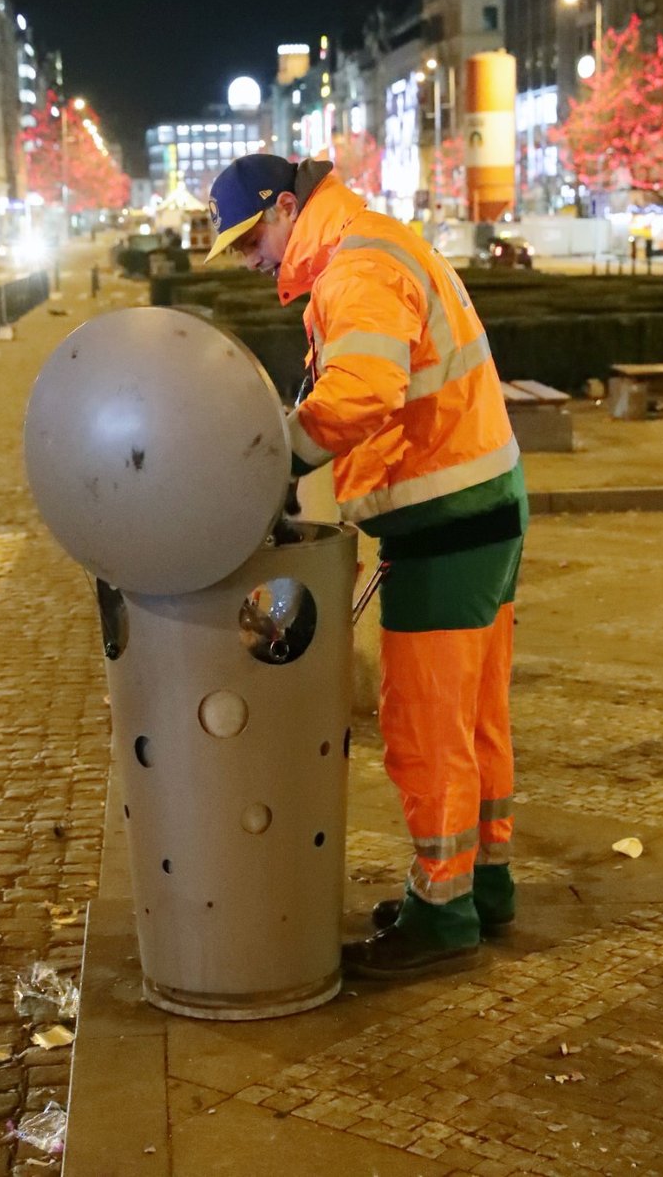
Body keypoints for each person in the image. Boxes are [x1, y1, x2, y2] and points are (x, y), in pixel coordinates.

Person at [205, 153, 528, 979]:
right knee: (474, 715)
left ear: (286, 208)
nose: (251, 259)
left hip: (446, 523)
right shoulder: (371, 247)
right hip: (478, 507)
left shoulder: (358, 266)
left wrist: (278, 464)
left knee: (426, 726)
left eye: (251, 239)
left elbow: (361, 391)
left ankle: (443, 914)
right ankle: (484, 883)